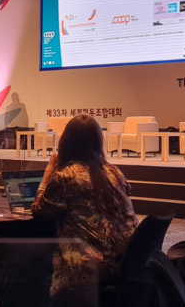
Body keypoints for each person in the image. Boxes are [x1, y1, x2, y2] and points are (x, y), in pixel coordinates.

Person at [31, 114, 138, 306]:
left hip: (87, 270)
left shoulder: (65, 176)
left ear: (66, 142)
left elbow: (39, 211)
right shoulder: (115, 172)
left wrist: (48, 173)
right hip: (127, 263)